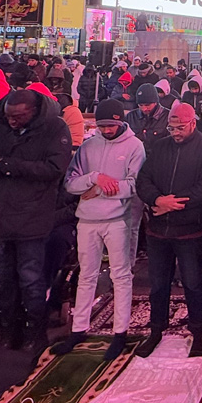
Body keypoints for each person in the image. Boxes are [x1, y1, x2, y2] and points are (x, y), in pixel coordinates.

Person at [0, 89, 74, 352]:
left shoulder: (55, 129)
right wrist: (1, 166)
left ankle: (36, 330)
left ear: (33, 112)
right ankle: (9, 328)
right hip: (1, 214)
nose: (13, 121)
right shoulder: (3, 129)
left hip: (33, 214)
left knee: (32, 278)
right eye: (9, 116)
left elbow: (55, 169)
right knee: (6, 277)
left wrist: (10, 166)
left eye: (18, 116)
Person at [55, 99, 146, 363]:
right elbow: (71, 183)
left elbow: (135, 185)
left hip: (118, 219)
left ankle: (120, 331)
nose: (107, 131)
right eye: (103, 126)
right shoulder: (87, 146)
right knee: (86, 275)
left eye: (112, 125)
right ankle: (79, 328)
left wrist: (105, 188)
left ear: (121, 122)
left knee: (121, 274)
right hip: (87, 220)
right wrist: (95, 178)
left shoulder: (134, 146)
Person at [136, 101, 202, 358]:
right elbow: (144, 179)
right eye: (171, 128)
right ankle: (156, 330)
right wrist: (157, 201)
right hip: (159, 230)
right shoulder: (160, 146)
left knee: (193, 283)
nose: (175, 132)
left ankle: (198, 333)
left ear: (193, 123)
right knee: (158, 284)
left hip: (190, 230)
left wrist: (172, 205)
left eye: (180, 127)